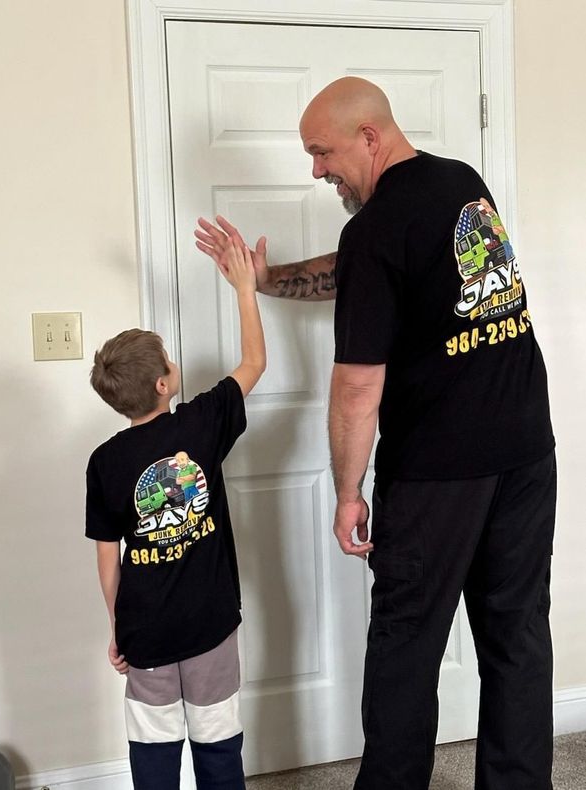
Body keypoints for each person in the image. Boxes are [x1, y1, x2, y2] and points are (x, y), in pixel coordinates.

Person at [194, 76, 556, 790]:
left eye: (322, 152)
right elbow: (377, 268)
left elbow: (357, 387)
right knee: (516, 634)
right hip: (524, 450)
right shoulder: (458, 182)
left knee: (404, 644)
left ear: (368, 137)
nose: (316, 170)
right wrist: (269, 280)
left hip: (437, 474)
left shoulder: (377, 226)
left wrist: (347, 491)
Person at [85, 240, 266, 790]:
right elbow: (254, 362)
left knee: (155, 757)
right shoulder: (200, 424)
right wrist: (243, 289)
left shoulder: (105, 462)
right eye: (168, 357)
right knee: (218, 751)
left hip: (147, 634)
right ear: (163, 383)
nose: (173, 360)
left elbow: (107, 556)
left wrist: (119, 627)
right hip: (210, 625)